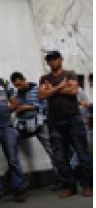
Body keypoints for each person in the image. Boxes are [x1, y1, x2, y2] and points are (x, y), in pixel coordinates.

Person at [39, 51, 92, 197]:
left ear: (61, 60)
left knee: (82, 153)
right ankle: (69, 186)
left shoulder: (70, 74)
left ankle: (88, 185)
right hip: (54, 121)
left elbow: (73, 90)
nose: (53, 62)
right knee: (60, 156)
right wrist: (61, 87)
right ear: (48, 63)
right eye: (50, 60)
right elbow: (42, 95)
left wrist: (52, 89)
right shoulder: (44, 78)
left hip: (73, 118)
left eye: (55, 59)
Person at [0, 59, 27, 203]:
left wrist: (4, 111)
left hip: (6, 126)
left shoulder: (5, 83)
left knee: (13, 159)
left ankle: (19, 189)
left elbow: (14, 101)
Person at [10, 72, 60, 183]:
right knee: (10, 144)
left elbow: (46, 105)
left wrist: (30, 107)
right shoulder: (16, 94)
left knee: (52, 150)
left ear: (24, 79)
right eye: (16, 85)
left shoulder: (37, 89)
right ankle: (16, 179)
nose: (18, 87)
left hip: (40, 123)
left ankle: (60, 178)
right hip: (23, 125)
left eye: (19, 84)